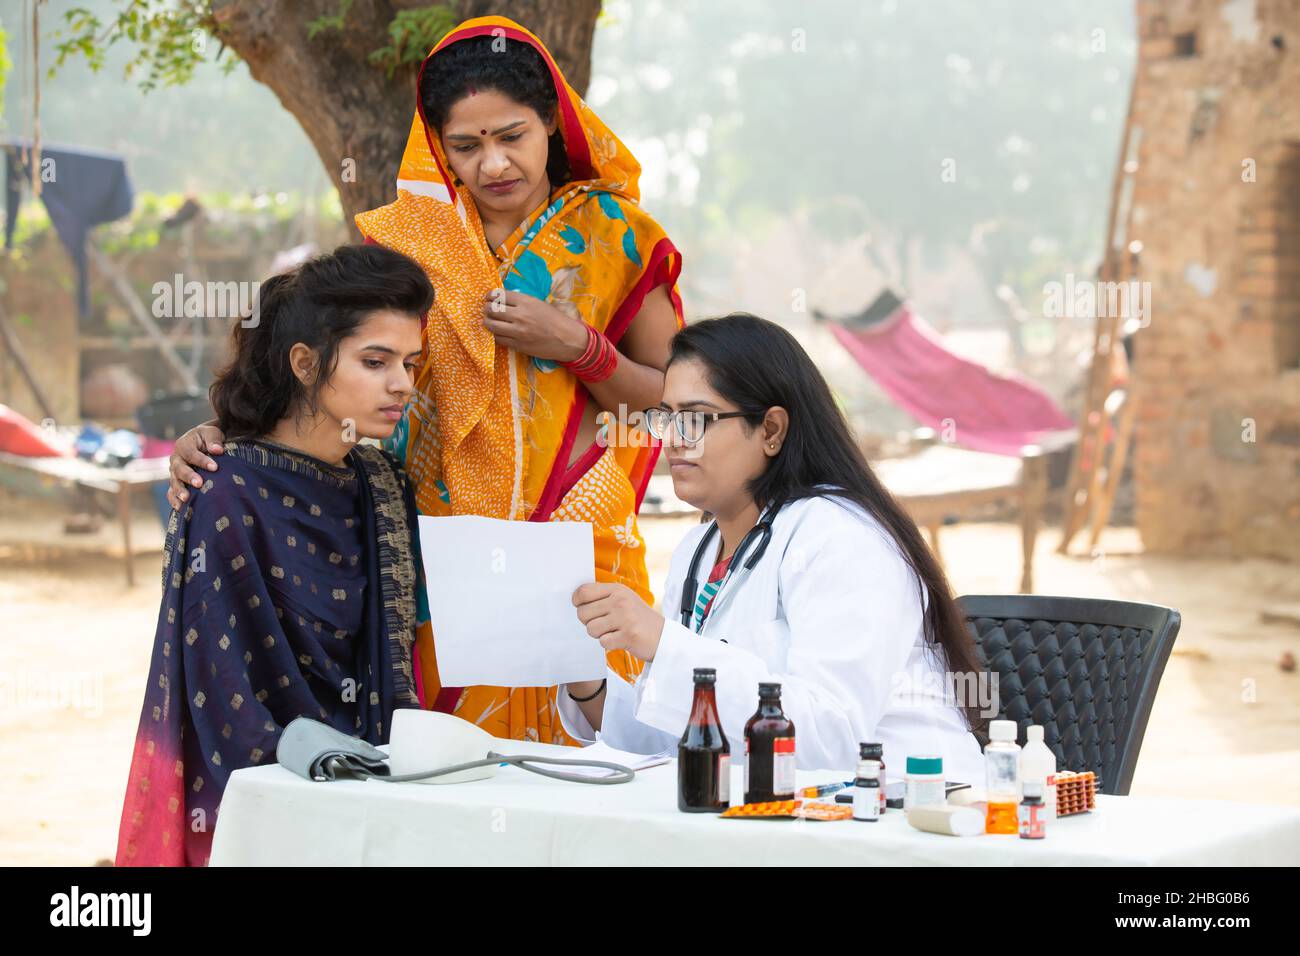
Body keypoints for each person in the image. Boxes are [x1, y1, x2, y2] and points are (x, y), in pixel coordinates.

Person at [164, 16, 684, 744]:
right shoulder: (409, 243)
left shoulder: (617, 237)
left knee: (604, 755)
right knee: (447, 765)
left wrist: (578, 346)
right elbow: (327, 358)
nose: (493, 164)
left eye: (513, 136)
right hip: (436, 550)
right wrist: (230, 432)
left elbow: (678, 406)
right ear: (437, 145)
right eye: (465, 146)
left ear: (554, 125)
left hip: (581, 536)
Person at [565, 314, 988, 783]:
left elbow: (834, 736)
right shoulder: (697, 551)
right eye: (666, 417)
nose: (674, 440)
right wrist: (587, 681)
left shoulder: (841, 537)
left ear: (771, 430)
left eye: (696, 419)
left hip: (909, 818)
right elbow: (684, 735)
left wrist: (665, 644)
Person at [116, 244, 433, 866]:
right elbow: (218, 683)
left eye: (410, 363)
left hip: (373, 787)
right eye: (376, 361)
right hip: (261, 798)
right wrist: (314, 761)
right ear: (306, 364)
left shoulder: (382, 482)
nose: (402, 383)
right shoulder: (224, 489)